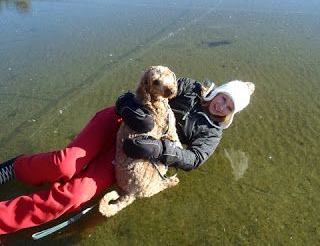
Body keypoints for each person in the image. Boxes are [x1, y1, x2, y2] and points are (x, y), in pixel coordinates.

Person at [0, 72, 255, 235]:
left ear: (231, 114)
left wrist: (161, 149)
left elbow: (195, 158)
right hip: (117, 121)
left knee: (75, 195)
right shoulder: (189, 87)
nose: (220, 105)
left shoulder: (213, 133)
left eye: (228, 107)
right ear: (219, 90)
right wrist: (126, 102)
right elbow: (151, 83)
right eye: (224, 97)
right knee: (66, 165)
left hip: (136, 153)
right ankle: (15, 167)